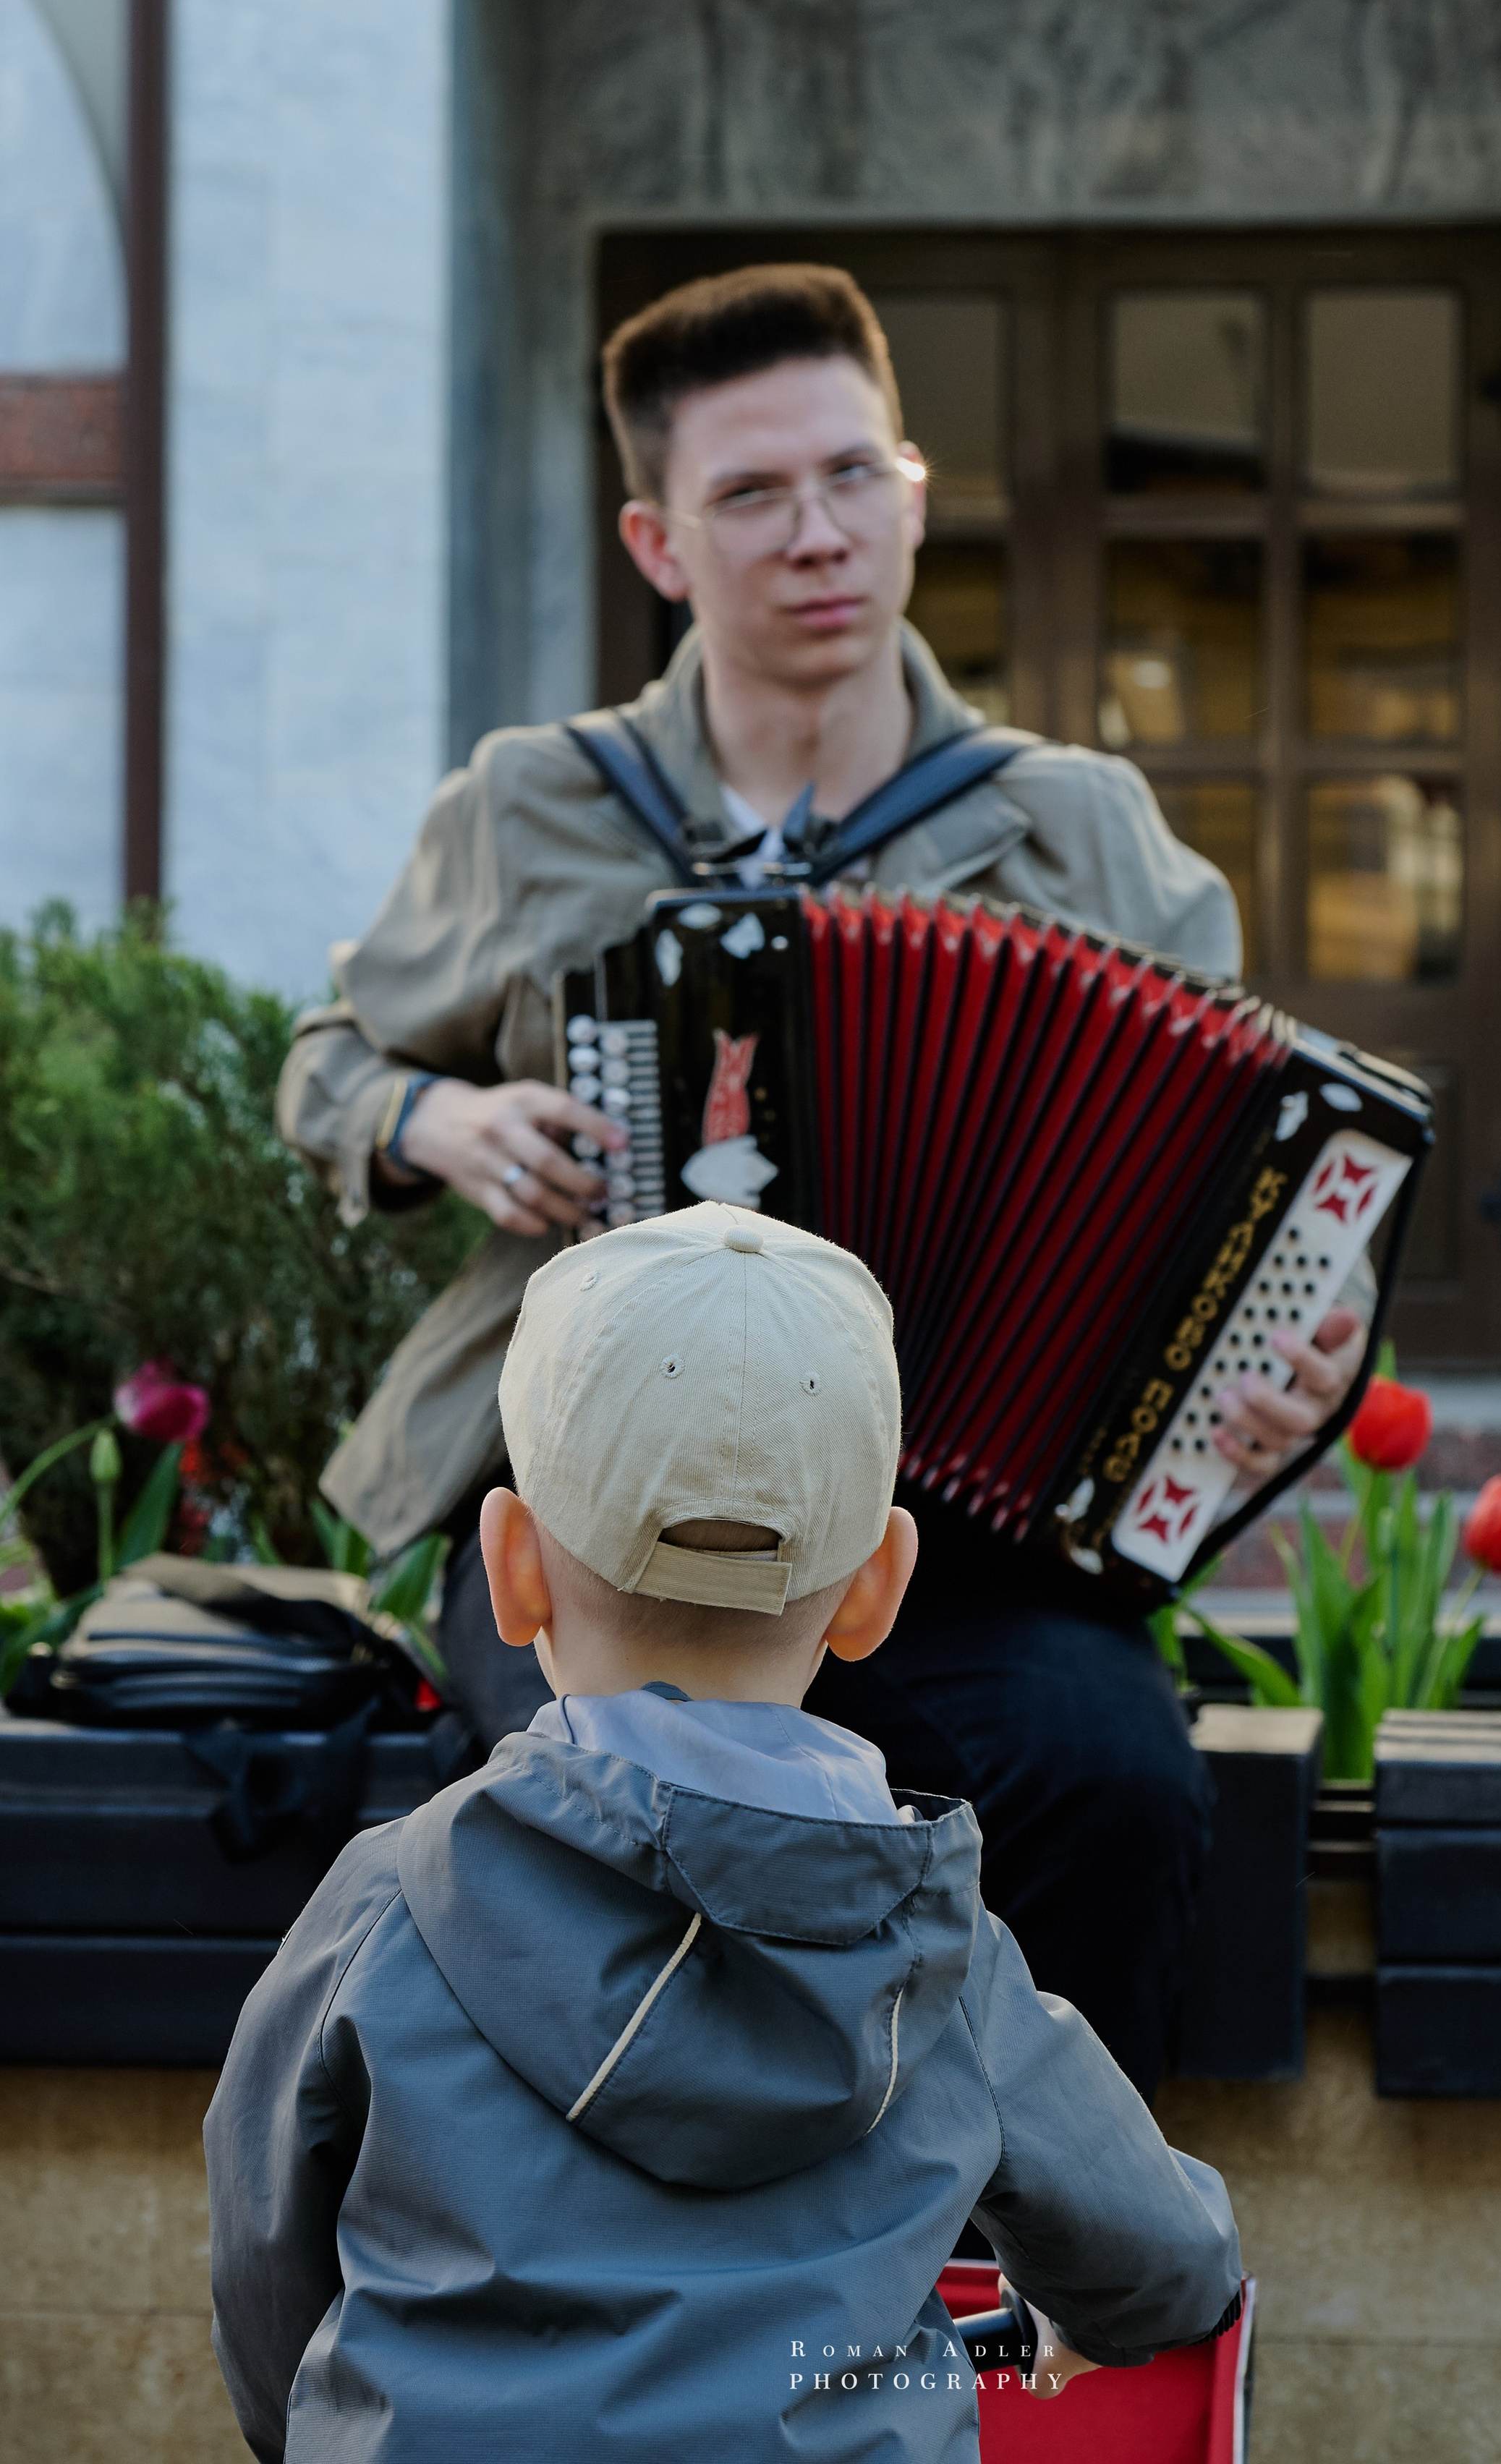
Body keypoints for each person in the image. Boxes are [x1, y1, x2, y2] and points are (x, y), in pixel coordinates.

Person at [276, 262, 1368, 2094]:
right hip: (594, 1490)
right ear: (656, 538)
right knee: (621, 1799)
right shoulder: (539, 803)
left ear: (915, 494)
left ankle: (1008, 2288)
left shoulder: (1073, 827)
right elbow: (333, 1060)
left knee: (1105, 1778)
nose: (819, 535)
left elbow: (1254, 1183)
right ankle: (655, 2289)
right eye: (754, 495)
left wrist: (1290, 1351)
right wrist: (432, 1124)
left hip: (952, 1518)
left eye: (855, 478)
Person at [203, 1206, 1244, 2463]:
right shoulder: (942, 1960)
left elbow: (266, 2262)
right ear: (875, 1590)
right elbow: (1171, 2273)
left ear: (511, 1565)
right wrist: (1075, 2312)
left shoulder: (390, 1907)